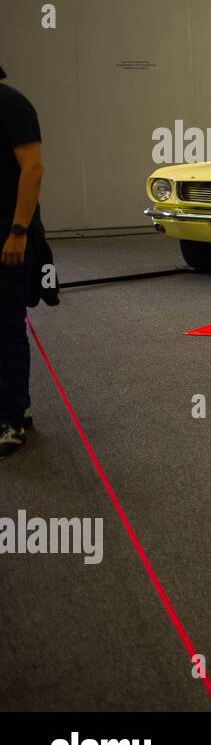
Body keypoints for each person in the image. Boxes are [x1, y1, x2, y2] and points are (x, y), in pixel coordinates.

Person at [0, 64, 43, 458]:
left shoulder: (12, 105)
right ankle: (18, 404)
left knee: (7, 327)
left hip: (9, 237)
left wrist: (18, 230)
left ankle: (10, 421)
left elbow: (32, 169)